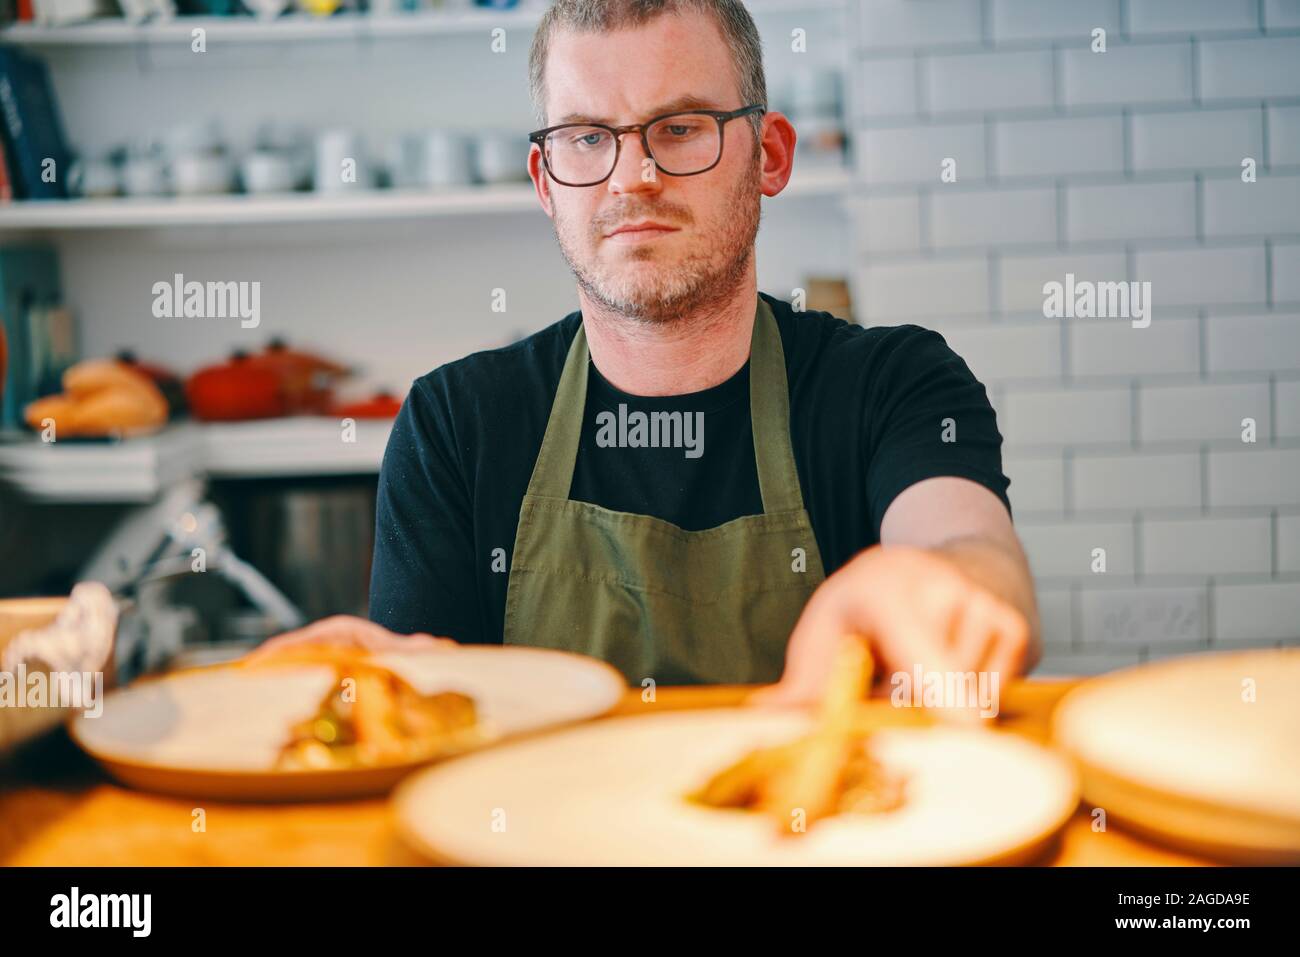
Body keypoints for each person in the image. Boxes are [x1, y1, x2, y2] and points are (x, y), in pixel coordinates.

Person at [260, 0, 1040, 704]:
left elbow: (971, 550)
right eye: (588, 137)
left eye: (681, 128)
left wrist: (943, 582)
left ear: (769, 155)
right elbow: (422, 720)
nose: (633, 177)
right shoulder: (455, 424)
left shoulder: (892, 386)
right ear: (545, 180)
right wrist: (384, 685)